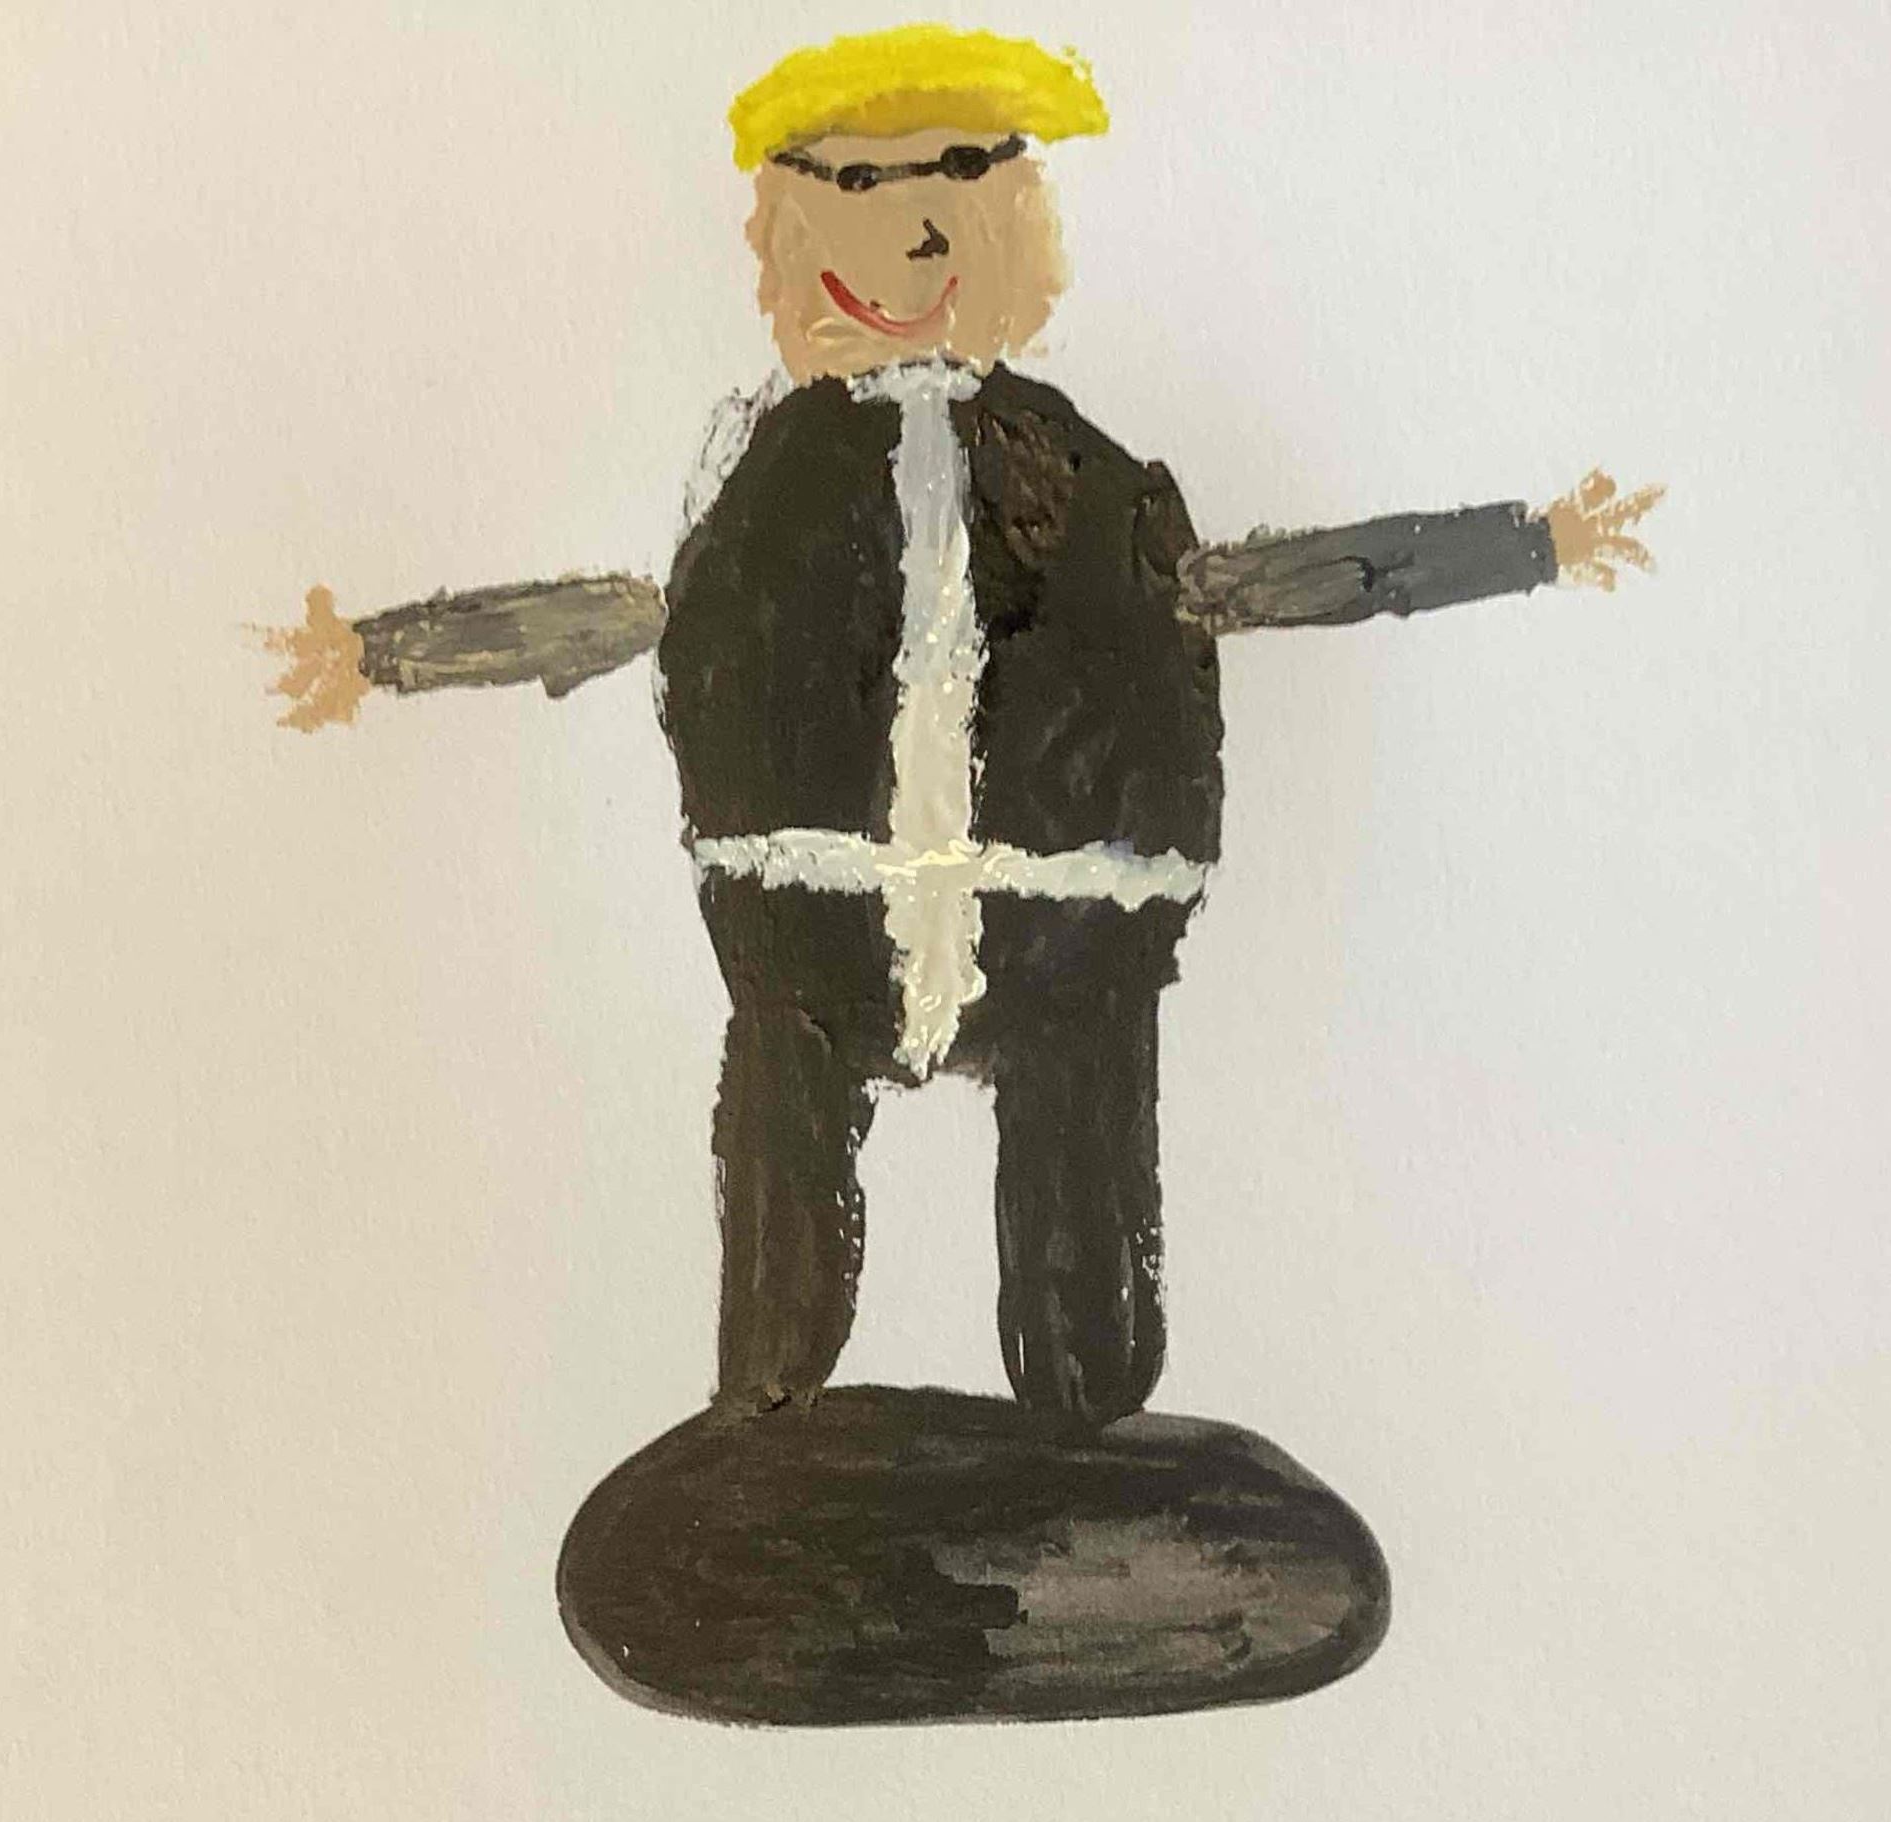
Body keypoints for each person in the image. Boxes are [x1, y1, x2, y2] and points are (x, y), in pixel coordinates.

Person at [269, 24, 1660, 1430]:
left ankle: (1090, 1388)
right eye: (858, 188)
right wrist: (385, 653)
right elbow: (620, 616)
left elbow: (1252, 586)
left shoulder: (1083, 473)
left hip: (1071, 909)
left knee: (1082, 1144)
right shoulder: (769, 476)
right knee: (786, 1118)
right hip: (806, 904)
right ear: (788, 224)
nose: (910, 235)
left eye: (953, 179)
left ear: (1011, 218)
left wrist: (1520, 546)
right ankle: (768, 1401)